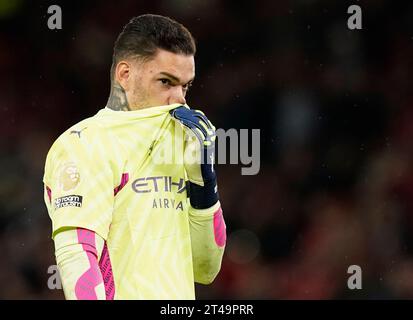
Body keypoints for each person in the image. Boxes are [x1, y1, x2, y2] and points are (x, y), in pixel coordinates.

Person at [43, 14, 226, 300]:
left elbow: (205, 269)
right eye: (166, 82)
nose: (180, 99)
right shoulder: (86, 143)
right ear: (125, 75)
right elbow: (76, 255)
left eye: (186, 86)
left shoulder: (181, 144)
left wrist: (205, 184)